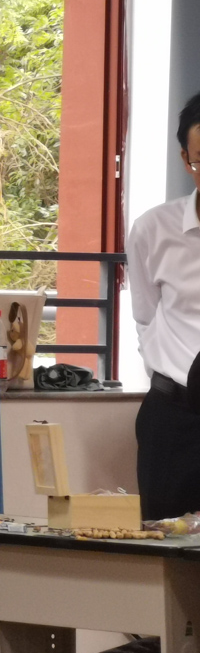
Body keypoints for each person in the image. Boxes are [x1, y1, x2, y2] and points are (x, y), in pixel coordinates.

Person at [128, 92, 200, 520]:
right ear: (186, 160)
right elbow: (145, 316)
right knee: (163, 543)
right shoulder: (153, 229)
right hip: (173, 418)